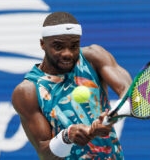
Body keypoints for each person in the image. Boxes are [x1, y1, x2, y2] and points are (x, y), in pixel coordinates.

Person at [11, 12, 132, 159]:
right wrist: (67, 137)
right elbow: (45, 154)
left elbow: (131, 93)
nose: (67, 53)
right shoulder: (28, 91)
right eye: (58, 46)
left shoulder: (94, 58)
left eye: (74, 46)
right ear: (43, 44)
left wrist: (112, 116)